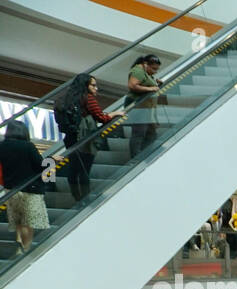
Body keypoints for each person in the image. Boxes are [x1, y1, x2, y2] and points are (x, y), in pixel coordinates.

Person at [55, 74, 124, 203]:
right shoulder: (87, 98)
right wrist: (114, 113)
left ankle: (76, 197)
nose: (96, 88)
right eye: (93, 85)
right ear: (85, 85)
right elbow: (101, 118)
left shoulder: (65, 98)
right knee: (85, 168)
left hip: (70, 137)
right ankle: (86, 198)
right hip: (85, 137)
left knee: (74, 168)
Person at [0, 121, 49, 255]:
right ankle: (24, 249)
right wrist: (51, 159)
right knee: (28, 221)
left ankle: (19, 240)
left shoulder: (2, 146)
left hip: (10, 190)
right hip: (29, 189)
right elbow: (41, 165)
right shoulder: (28, 146)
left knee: (18, 219)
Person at [125, 54, 162, 158]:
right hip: (138, 105)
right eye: (153, 69)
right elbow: (132, 85)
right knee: (139, 132)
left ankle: (143, 155)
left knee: (151, 134)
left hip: (146, 107)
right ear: (146, 64)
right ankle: (136, 158)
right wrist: (151, 89)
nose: (155, 71)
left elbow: (146, 84)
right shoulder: (138, 71)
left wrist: (156, 83)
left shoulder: (146, 73)